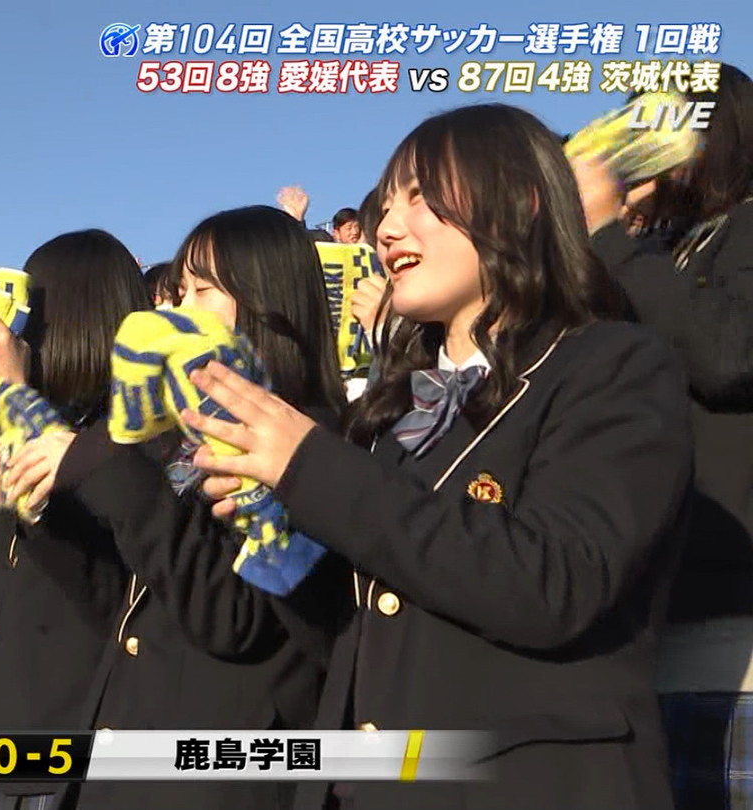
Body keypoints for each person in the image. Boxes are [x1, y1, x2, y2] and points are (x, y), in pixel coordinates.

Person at [185, 103, 692, 809]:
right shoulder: (390, 409)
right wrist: (279, 530)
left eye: (420, 198)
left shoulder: (614, 365)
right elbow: (353, 635)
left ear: (520, 201)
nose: (388, 229)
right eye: (387, 206)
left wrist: (313, 469)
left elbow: (556, 582)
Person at [1, 208, 347, 810]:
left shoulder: (309, 444)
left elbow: (233, 617)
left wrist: (109, 465)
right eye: (179, 292)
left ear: (266, 301)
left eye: (202, 292)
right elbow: (115, 598)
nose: (175, 311)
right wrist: (41, 503)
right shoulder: (179, 436)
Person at [574, 62, 753, 807]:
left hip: (731, 639)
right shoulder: (655, 250)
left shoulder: (741, 228)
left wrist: (609, 233)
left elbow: (726, 355)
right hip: (649, 630)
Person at [0, 229, 148, 810]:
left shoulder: (129, 437)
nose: (15, 333)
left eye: (32, 314)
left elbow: (111, 596)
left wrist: (16, 399)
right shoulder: (43, 416)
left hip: (55, 726)